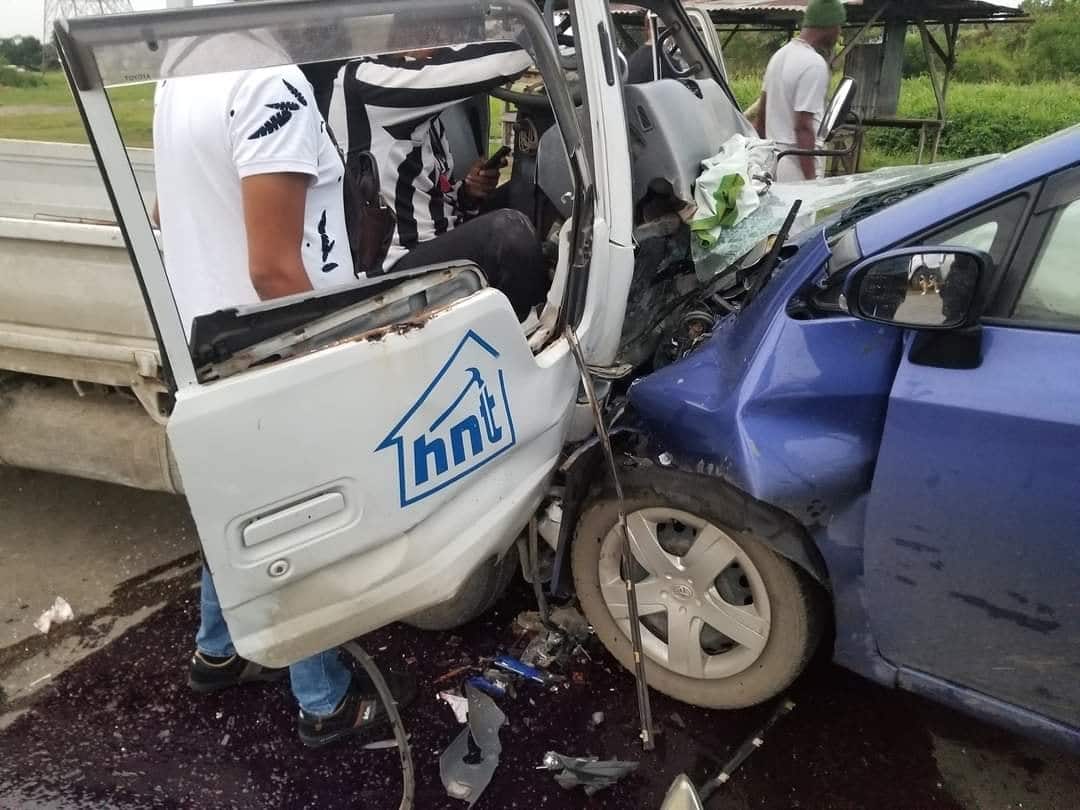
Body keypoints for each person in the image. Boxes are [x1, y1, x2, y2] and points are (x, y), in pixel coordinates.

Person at [153, 34, 414, 747]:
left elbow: (168, 206)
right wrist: (331, 370)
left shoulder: (184, 74)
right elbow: (274, 271)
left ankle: (219, 652)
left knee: (239, 505)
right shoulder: (270, 83)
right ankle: (323, 702)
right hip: (270, 354)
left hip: (209, 340)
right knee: (303, 528)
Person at [330, 41, 549, 320]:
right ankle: (527, 331)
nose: (444, 44)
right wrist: (536, 34)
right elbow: (497, 62)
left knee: (529, 189)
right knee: (509, 232)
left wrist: (468, 193)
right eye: (433, 33)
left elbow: (432, 194)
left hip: (434, 236)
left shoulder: (422, 113)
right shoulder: (367, 80)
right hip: (396, 265)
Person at [755, 0, 846, 182]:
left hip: (774, 161)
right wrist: (811, 180)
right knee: (802, 210)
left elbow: (761, 119)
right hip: (797, 166)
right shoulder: (814, 64)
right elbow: (803, 127)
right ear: (828, 25)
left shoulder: (779, 56)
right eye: (839, 26)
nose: (839, 33)